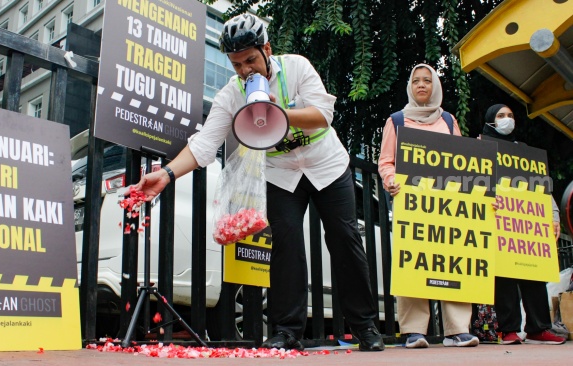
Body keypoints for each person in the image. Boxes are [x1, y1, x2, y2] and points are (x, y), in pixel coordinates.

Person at [128, 13, 384, 351]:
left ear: (266, 49)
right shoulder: (231, 95)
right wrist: (167, 173)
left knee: (345, 239)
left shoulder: (295, 68)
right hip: (280, 173)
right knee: (286, 246)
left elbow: (324, 113)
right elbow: (205, 144)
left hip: (326, 164)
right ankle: (287, 331)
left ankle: (365, 326)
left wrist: (278, 112)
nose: (245, 69)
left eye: (250, 59)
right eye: (237, 64)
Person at [378, 64, 480, 348]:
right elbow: (386, 161)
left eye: (427, 80)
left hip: (448, 205)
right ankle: (413, 330)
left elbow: (463, 160)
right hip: (412, 205)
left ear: (435, 86)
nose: (421, 85)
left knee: (454, 260)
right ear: (410, 87)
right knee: (413, 260)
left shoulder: (448, 120)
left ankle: (457, 329)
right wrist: (390, 180)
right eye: (416, 81)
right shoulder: (396, 121)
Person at [482, 104, 566, 345]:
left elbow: (542, 187)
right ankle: (508, 329)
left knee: (534, 273)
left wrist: (553, 215)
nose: (507, 120)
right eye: (500, 116)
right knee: (504, 276)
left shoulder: (525, 152)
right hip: (497, 219)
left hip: (529, 222)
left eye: (510, 116)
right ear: (490, 121)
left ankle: (538, 328)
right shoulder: (481, 148)